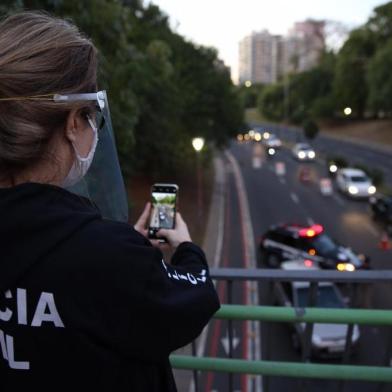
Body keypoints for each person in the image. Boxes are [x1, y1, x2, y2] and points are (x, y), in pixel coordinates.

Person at [0, 11, 220, 391]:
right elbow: (194, 299)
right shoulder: (109, 256)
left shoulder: (108, 251)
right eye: (90, 116)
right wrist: (185, 248)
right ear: (71, 122)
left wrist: (122, 247)